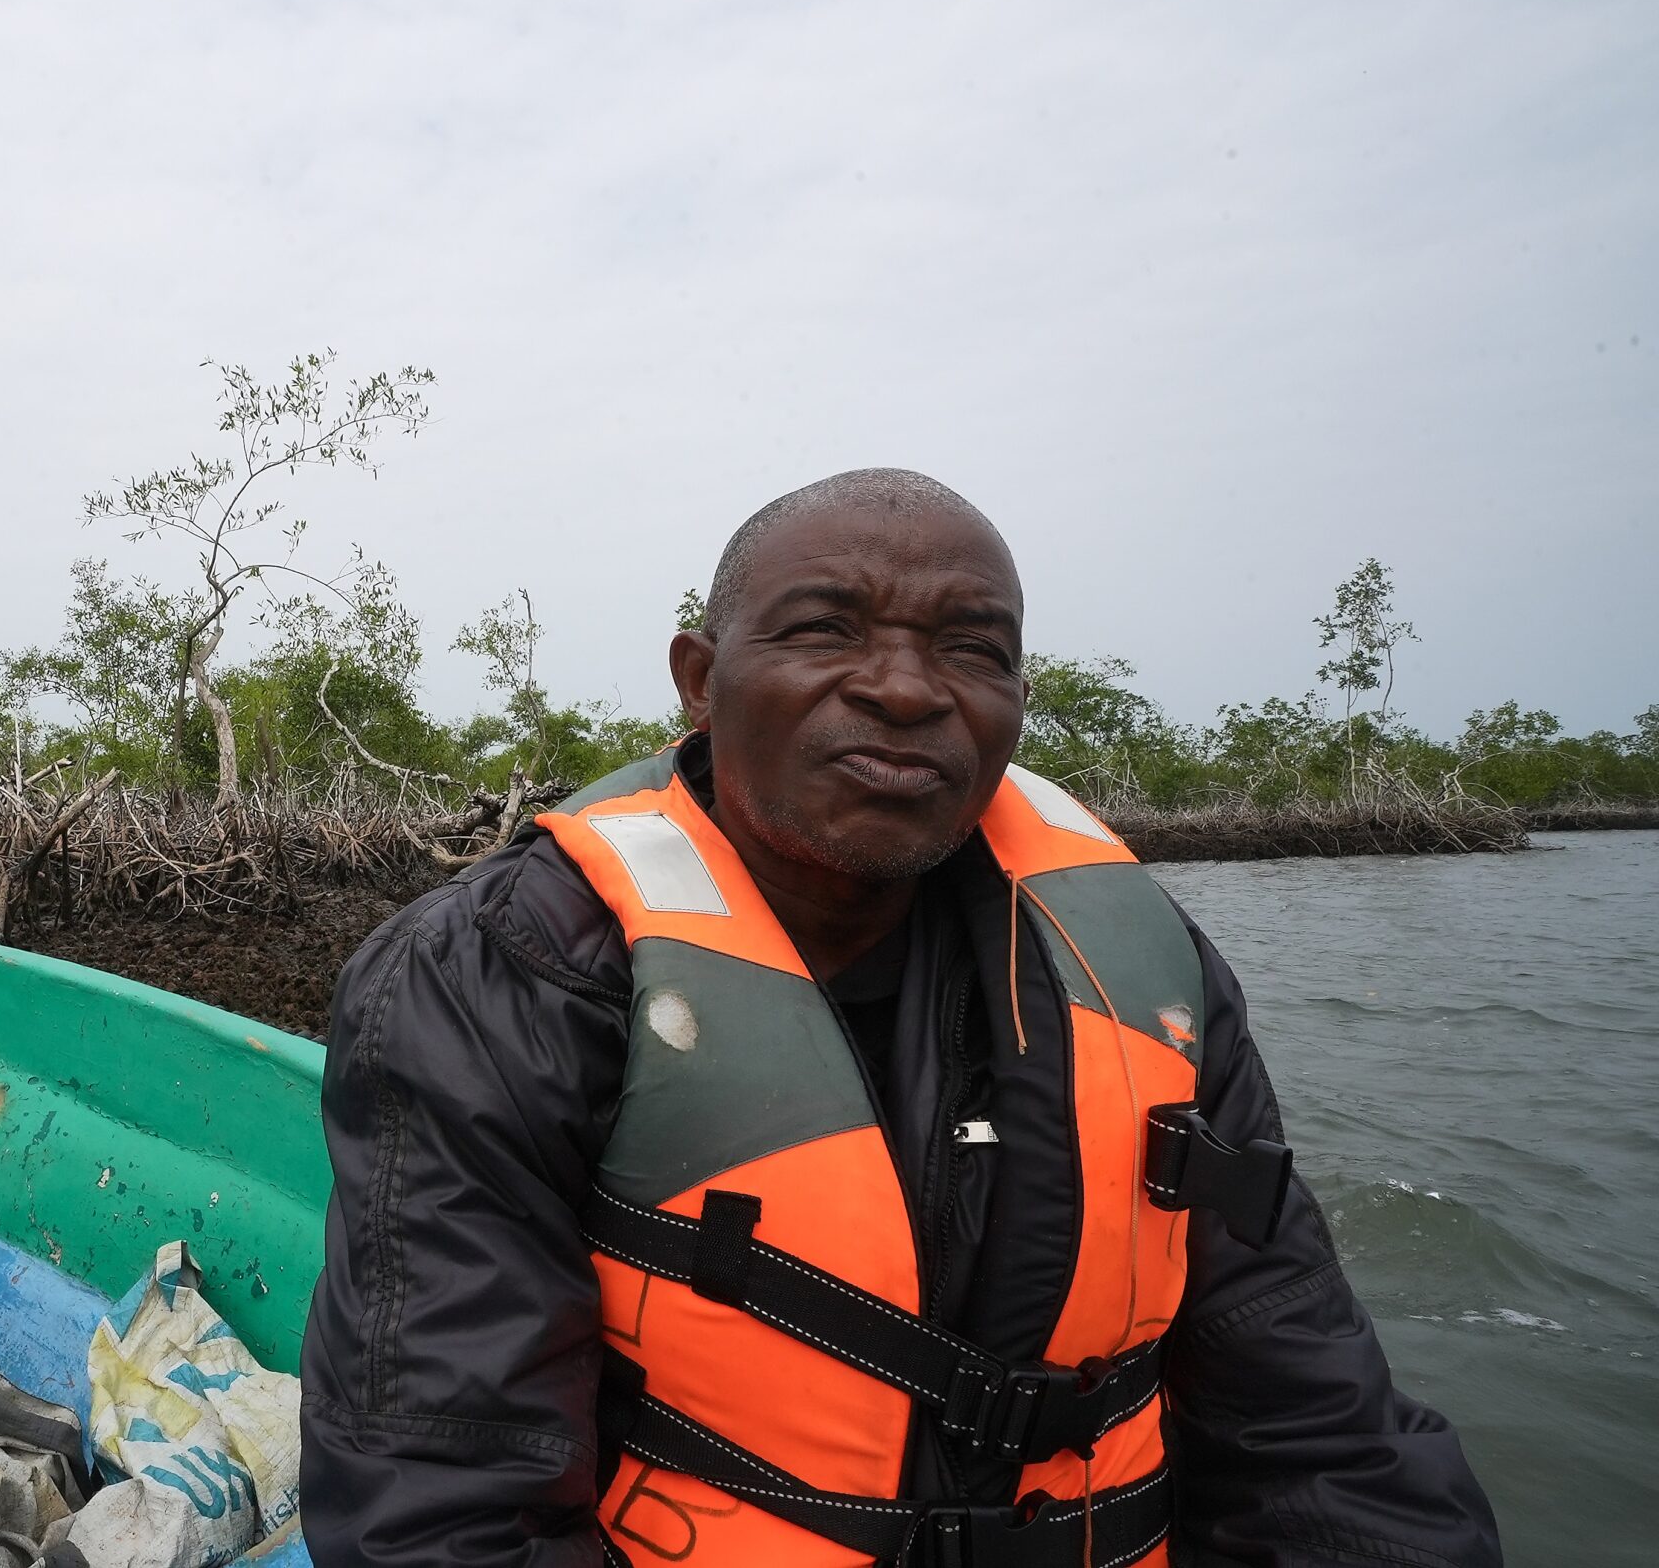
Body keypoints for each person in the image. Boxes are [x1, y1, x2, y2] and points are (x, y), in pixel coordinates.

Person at [299, 470, 1500, 1567]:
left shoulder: (1147, 968)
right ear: (702, 679)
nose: (906, 688)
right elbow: (441, 1503)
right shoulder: (502, 972)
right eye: (827, 629)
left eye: (970, 650)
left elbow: (1317, 1429)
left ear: (1017, 698)